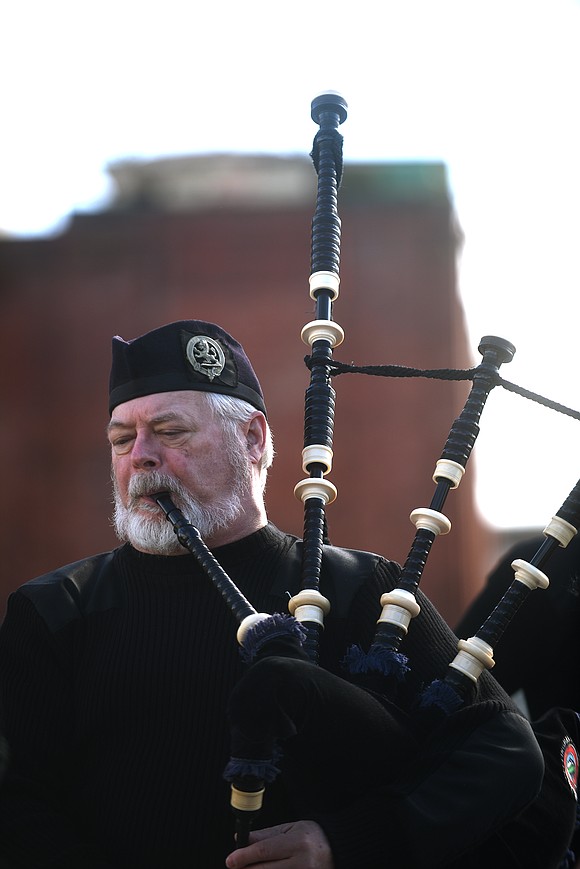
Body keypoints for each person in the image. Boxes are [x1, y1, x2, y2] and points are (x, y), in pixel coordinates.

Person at [0, 319, 571, 869]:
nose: (140, 456)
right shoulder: (54, 610)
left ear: (252, 439)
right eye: (121, 439)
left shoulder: (358, 588)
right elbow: (19, 802)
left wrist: (344, 845)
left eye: (171, 432)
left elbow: (504, 751)